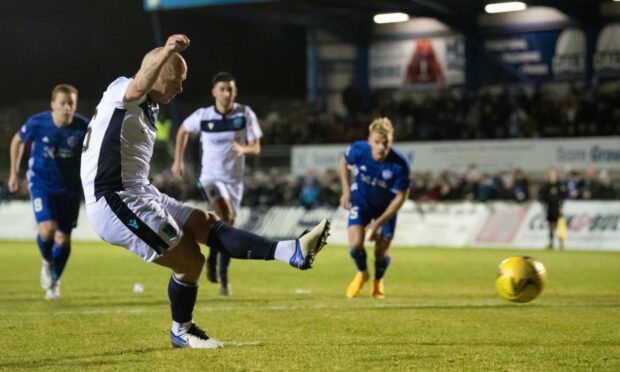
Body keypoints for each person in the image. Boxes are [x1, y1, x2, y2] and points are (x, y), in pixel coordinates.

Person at [80, 34, 330, 349]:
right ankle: (181, 331)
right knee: (190, 260)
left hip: (140, 192)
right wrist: (168, 50)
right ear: (157, 73)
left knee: (205, 223)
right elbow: (140, 83)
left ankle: (291, 251)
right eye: (177, 80)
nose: (181, 88)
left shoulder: (148, 103)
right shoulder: (125, 93)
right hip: (114, 200)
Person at [171, 72, 262, 297]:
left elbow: (256, 146)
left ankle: (218, 271)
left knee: (228, 225)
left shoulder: (244, 114)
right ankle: (217, 271)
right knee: (227, 216)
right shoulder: (203, 116)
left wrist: (243, 149)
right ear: (214, 92)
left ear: (235, 92)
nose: (226, 93)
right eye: (222, 89)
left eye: (230, 89)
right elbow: (182, 130)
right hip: (210, 178)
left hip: (234, 182)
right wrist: (178, 161)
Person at [8, 84, 89, 300]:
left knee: (63, 239)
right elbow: (17, 141)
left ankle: (54, 280)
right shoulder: (37, 123)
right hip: (41, 184)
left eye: (71, 103)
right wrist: (14, 174)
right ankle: (46, 261)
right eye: (62, 103)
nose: (66, 108)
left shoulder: (84, 127)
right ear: (53, 104)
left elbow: (96, 154)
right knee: (47, 230)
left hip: (70, 189)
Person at [339, 118, 411, 299]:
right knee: (355, 245)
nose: (381, 147)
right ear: (370, 140)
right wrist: (346, 191)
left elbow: (401, 197)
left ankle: (378, 281)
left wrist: (378, 223)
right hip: (361, 202)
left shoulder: (400, 163)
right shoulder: (359, 150)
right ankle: (362, 273)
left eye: (385, 143)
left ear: (391, 141)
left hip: (385, 209)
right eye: (377, 142)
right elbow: (344, 162)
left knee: (380, 251)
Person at [538, 168, 568, 250]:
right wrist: (543, 202)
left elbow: (564, 195)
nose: (552, 176)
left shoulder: (560, 185)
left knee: (560, 226)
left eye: (553, 174)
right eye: (550, 175)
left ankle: (561, 244)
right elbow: (541, 195)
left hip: (558, 207)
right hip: (549, 208)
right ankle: (551, 243)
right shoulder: (546, 185)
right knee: (550, 226)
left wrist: (562, 206)